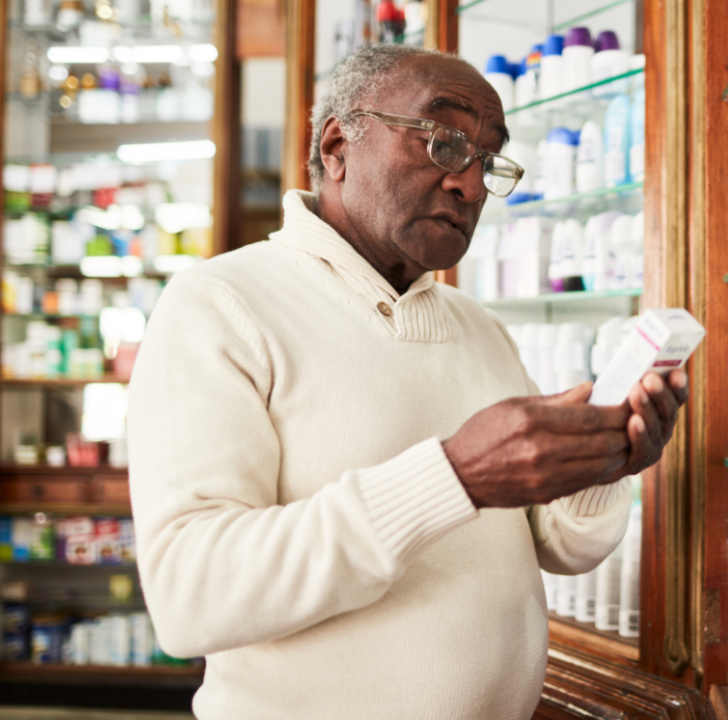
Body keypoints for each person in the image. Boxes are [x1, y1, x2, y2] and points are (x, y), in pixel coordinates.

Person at [128, 45, 688, 720]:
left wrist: (610, 458)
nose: (471, 185)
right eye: (444, 143)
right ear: (338, 144)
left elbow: (561, 547)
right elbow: (193, 596)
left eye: (487, 159)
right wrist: (454, 477)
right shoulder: (222, 305)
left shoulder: (477, 326)